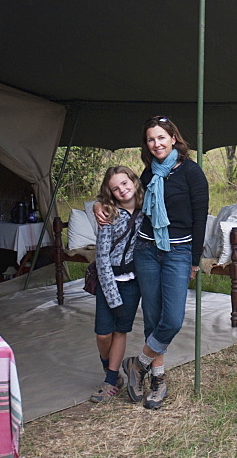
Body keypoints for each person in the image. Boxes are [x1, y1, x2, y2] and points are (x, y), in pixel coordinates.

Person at [95, 116, 209, 409]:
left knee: (172, 319)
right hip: (146, 251)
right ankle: (158, 380)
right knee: (153, 316)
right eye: (150, 139)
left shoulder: (192, 173)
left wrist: (195, 260)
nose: (156, 143)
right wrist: (99, 205)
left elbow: (199, 220)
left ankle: (138, 363)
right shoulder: (146, 174)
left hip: (178, 253)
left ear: (173, 138)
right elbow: (124, 198)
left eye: (161, 137)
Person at [89, 166, 145, 403]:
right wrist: (112, 296)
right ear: (110, 193)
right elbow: (101, 258)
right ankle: (107, 367)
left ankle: (111, 380)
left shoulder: (146, 210)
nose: (122, 190)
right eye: (115, 188)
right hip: (108, 281)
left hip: (132, 283)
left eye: (125, 183)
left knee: (120, 331)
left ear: (133, 181)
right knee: (103, 334)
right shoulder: (108, 215)